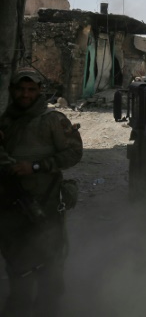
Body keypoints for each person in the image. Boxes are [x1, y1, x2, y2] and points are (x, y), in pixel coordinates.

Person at [0, 68, 83, 316]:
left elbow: (74, 153)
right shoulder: (5, 121)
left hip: (45, 207)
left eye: (31, 90)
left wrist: (36, 166)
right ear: (12, 90)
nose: (25, 94)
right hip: (11, 210)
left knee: (50, 270)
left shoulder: (52, 120)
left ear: (39, 92)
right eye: (20, 89)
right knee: (18, 272)